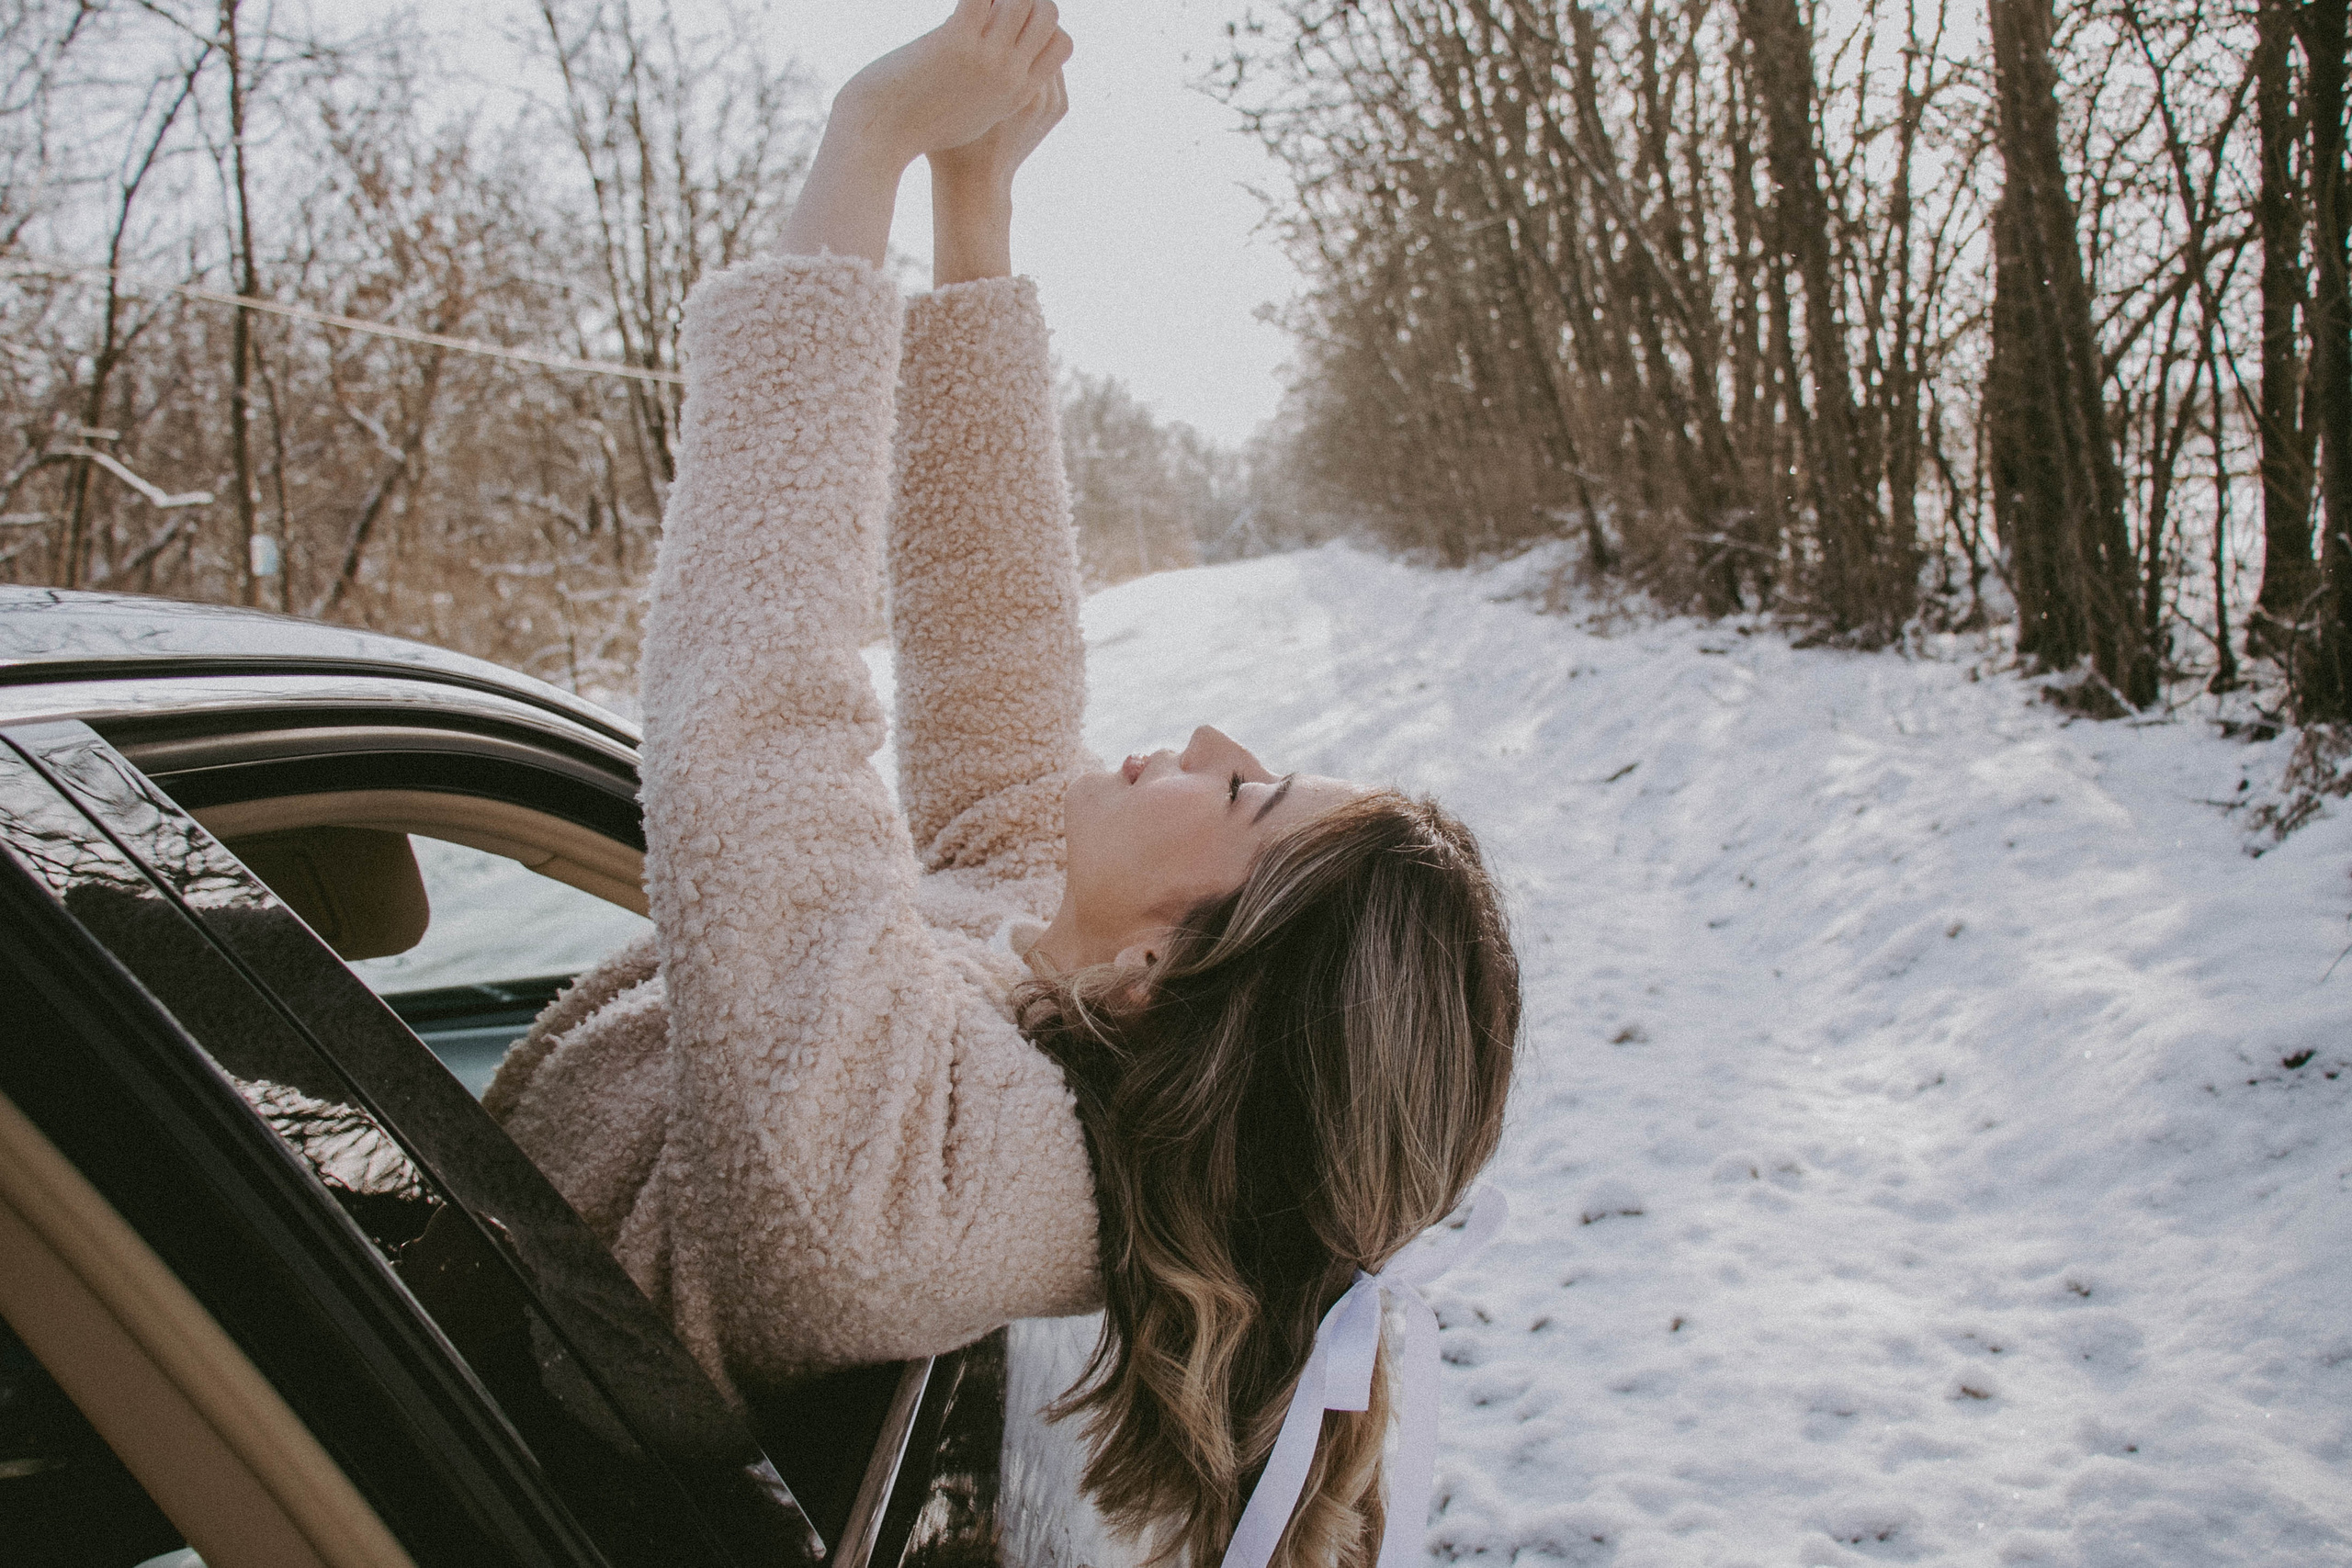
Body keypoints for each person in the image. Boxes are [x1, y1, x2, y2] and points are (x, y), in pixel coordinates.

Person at [483, 4, 1521, 1564]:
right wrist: (976, 202)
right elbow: (991, 644)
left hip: (359, 1396)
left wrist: (866, 146)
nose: (1217, 740)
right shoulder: (1055, 1012)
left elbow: (756, 740)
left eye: (1247, 798)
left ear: (1172, 966)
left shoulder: (925, 1189)